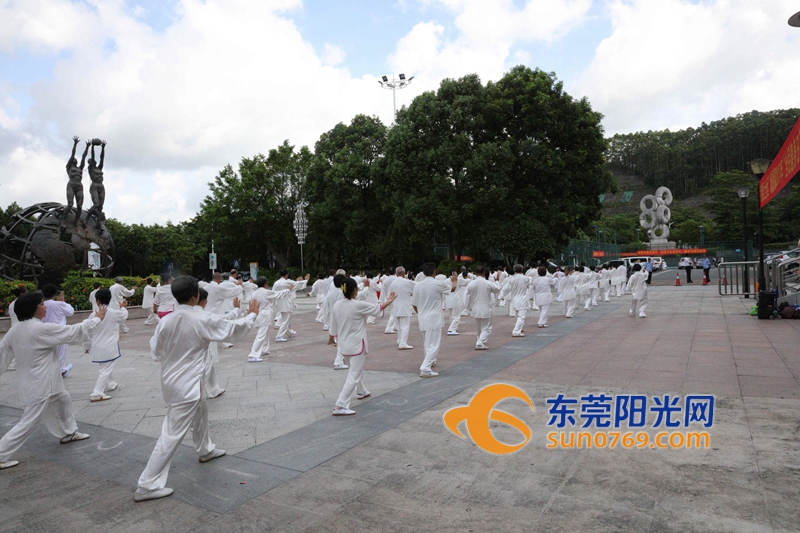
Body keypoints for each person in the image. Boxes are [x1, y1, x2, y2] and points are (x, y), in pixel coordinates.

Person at [134, 276, 260, 502]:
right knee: (171, 434)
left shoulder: (166, 320)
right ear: (195, 296)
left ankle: (205, 448)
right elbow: (231, 330)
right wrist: (252, 315)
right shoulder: (200, 318)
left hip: (174, 380)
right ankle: (147, 484)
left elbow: (156, 351)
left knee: (201, 409)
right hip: (187, 384)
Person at [0, 292, 107, 470]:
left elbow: (2, 355)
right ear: (32, 309)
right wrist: (97, 319)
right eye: (42, 304)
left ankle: (68, 432)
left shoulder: (15, 329)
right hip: (40, 384)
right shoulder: (39, 329)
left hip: (42, 382)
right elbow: (73, 333)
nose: (45, 307)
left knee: (63, 399)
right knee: (29, 422)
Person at [330, 278, 396, 416]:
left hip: (344, 345)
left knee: (354, 371)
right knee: (353, 375)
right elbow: (377, 308)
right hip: (356, 345)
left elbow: (333, 326)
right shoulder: (357, 305)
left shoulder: (337, 305)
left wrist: (332, 338)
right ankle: (340, 405)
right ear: (354, 290)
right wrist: (389, 301)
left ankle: (361, 391)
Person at [411, 263, 455, 378]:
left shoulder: (418, 286)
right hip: (434, 318)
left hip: (422, 318)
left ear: (423, 272)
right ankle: (425, 368)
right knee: (434, 344)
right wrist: (455, 280)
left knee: (427, 343)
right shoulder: (438, 284)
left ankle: (430, 361)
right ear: (434, 271)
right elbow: (452, 289)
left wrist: (420, 313)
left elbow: (414, 304)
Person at [88, 289, 128, 402]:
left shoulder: (93, 314)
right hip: (109, 346)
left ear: (97, 301)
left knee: (105, 366)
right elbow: (124, 316)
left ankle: (110, 384)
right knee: (105, 369)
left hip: (97, 345)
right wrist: (123, 307)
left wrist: (86, 346)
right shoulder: (114, 313)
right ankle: (97, 392)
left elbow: (88, 331)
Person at [247, 277, 291, 362]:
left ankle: (264, 350)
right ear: (265, 284)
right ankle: (253, 354)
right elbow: (278, 294)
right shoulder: (266, 292)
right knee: (261, 335)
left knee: (264, 333)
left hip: (257, 315)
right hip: (264, 315)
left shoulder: (254, 293)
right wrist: (288, 290)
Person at [41, 284, 75, 376]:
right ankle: (61, 369)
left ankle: (49, 370)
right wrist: (63, 302)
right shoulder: (59, 304)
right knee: (61, 352)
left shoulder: (40, 305)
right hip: (60, 331)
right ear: (54, 294)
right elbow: (71, 312)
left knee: (47, 353)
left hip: (44, 331)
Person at [466, 265, 501, 350]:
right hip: (485, 308)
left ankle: (479, 339)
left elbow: (467, 297)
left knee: (479, 327)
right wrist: (497, 281)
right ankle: (480, 342)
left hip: (475, 308)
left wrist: (468, 307)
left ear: (475, 273)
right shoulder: (487, 283)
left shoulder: (471, 284)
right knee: (487, 328)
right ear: (484, 273)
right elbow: (497, 289)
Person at [273, 271, 309, 342]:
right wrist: (306, 280)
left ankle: (290, 333)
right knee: (285, 321)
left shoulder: (276, 283)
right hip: (286, 303)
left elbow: (274, 292)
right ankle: (279, 336)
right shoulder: (287, 282)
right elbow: (297, 284)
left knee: (285, 320)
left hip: (280, 303)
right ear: (286, 275)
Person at [62, 136, 89, 224]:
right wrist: (75, 144)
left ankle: (76, 222)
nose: (74, 159)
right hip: (72, 184)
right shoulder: (69, 167)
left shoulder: (80, 168)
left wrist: (87, 147)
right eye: (73, 159)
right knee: (70, 204)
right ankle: (63, 220)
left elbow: (84, 157)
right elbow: (72, 154)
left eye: (75, 159)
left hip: (79, 186)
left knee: (80, 207)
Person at [500, 264, 532, 337]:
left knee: (519, 315)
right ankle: (516, 331)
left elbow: (505, 289)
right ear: (522, 270)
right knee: (521, 316)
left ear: (514, 270)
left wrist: (501, 296)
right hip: (522, 299)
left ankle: (519, 328)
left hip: (514, 299)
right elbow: (529, 287)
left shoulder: (511, 279)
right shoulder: (526, 279)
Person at [390, 267, 415, 350]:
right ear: (404, 274)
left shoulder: (393, 283)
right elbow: (414, 291)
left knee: (399, 326)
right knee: (405, 326)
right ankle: (403, 343)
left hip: (396, 306)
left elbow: (390, 295)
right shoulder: (407, 282)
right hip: (405, 306)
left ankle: (400, 340)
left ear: (396, 274)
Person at [4, 286, 27, 371]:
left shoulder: (12, 304)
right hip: (20, 326)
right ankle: (14, 363)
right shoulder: (21, 303)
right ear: (22, 293)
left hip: (14, 325)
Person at [85, 140, 107, 222]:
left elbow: (102, 158)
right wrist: (93, 147)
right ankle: (87, 218)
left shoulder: (99, 168)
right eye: (91, 160)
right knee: (96, 205)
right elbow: (93, 155)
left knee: (100, 206)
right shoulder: (91, 168)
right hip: (94, 185)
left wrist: (103, 148)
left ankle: (98, 222)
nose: (94, 160)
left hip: (101, 186)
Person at [446, 268, 471, 335]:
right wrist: (468, 278)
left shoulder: (446, 281)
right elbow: (466, 282)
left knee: (451, 316)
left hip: (448, 300)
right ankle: (451, 329)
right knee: (456, 316)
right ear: (454, 273)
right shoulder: (458, 280)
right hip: (456, 300)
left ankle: (453, 327)